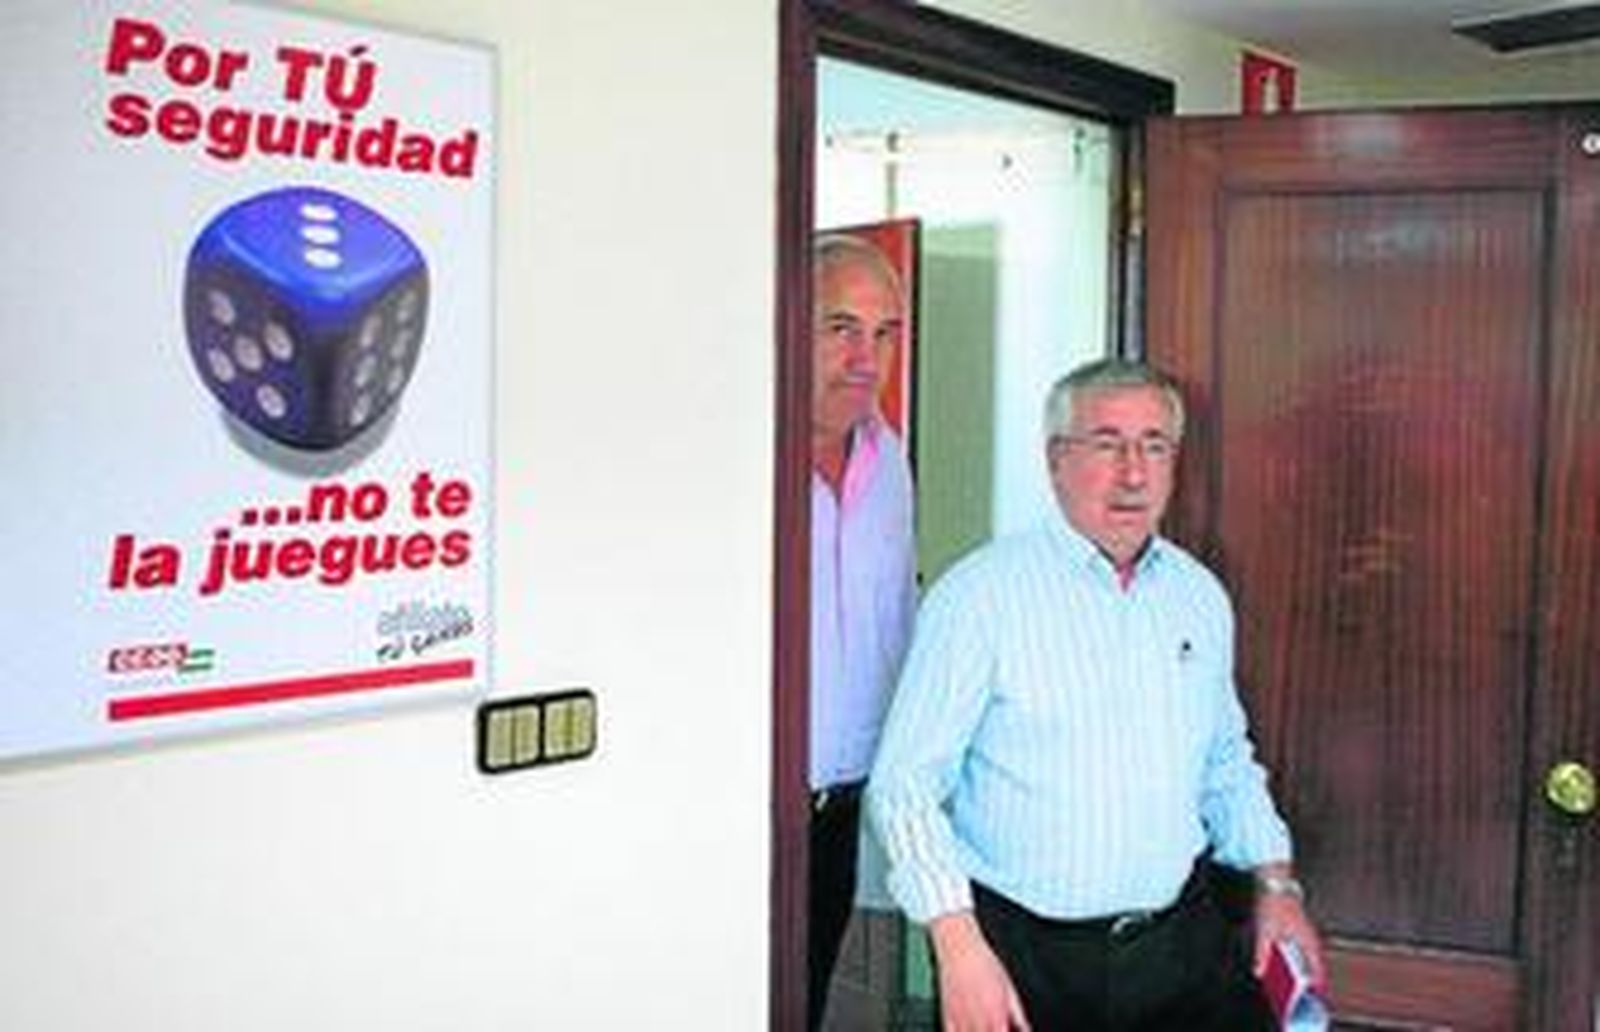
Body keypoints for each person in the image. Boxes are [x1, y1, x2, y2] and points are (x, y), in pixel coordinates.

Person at [867, 358, 1324, 1031]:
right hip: (1025, 958)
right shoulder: (979, 598)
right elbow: (904, 787)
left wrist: (1276, 883)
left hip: (1179, 949)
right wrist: (958, 947)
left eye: (1154, 446)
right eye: (1107, 444)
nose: (1133, 473)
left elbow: (1224, 759)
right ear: (1057, 460)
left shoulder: (1198, 596)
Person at [807, 233, 917, 1029]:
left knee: (806, 992)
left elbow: (896, 627)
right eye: (840, 327)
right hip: (742, 801)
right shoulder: (741, 456)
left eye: (884, 334)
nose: (864, 358)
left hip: (847, 802)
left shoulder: (892, 464)